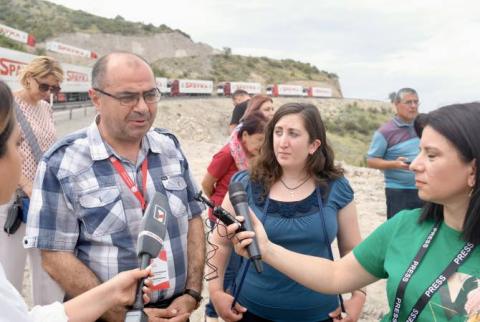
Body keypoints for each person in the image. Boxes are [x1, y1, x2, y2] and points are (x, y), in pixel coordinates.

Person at [230, 103, 480, 322]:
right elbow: (337, 274)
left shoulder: (335, 187)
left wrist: (357, 297)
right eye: (419, 151)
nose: (415, 164)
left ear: (473, 170)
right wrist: (266, 249)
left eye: (432, 155)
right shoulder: (404, 227)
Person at [24, 52, 206, 322]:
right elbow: (54, 255)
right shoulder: (62, 163)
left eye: (150, 95)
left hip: (176, 312)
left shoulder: (170, 147)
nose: (142, 107)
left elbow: (193, 219)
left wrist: (191, 293)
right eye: (127, 97)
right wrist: (123, 315)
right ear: (96, 98)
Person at [0, 79, 153, 322]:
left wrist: (110, 292)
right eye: (17, 144)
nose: (142, 107)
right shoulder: (58, 162)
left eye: (54, 88)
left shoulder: (46, 109)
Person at [210, 103, 365, 322]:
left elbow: (352, 249)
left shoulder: (336, 187)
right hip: (250, 312)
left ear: (313, 144)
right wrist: (215, 291)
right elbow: (220, 242)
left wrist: (359, 295)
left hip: (320, 315)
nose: (283, 142)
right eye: (278, 132)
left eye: (293, 134)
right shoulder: (245, 184)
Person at [0, 56, 64, 304]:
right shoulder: (9, 106)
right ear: (28, 79)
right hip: (13, 199)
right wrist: (25, 184)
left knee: (47, 269)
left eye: (55, 88)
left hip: (43, 198)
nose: (49, 92)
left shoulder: (46, 107)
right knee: (10, 269)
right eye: (45, 86)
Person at [202, 112, 268, 322]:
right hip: (222, 217)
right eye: (259, 140)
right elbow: (206, 183)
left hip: (243, 218)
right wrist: (220, 205)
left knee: (239, 265)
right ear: (245, 135)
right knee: (226, 269)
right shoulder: (227, 154)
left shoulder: (254, 156)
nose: (261, 146)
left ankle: (232, 305)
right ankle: (212, 313)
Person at [367, 88, 423, 219]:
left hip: (426, 188)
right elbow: (371, 161)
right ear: (397, 104)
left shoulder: (423, 126)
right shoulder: (385, 131)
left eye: (416, 102)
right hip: (399, 191)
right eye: (408, 102)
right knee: (399, 231)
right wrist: (395, 164)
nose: (413, 106)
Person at [230, 94, 274, 171]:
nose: (272, 113)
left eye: (272, 109)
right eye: (267, 110)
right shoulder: (238, 136)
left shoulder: (272, 129)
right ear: (254, 111)